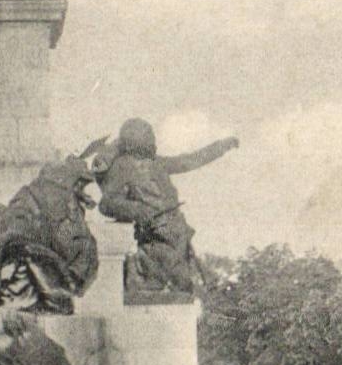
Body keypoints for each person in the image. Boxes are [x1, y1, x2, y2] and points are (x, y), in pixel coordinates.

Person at [94, 119, 238, 297]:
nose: (152, 139)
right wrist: (137, 210)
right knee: (159, 287)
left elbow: (187, 161)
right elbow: (107, 203)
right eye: (148, 135)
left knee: (182, 288)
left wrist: (220, 147)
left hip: (176, 231)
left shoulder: (156, 162)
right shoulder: (122, 167)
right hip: (155, 236)